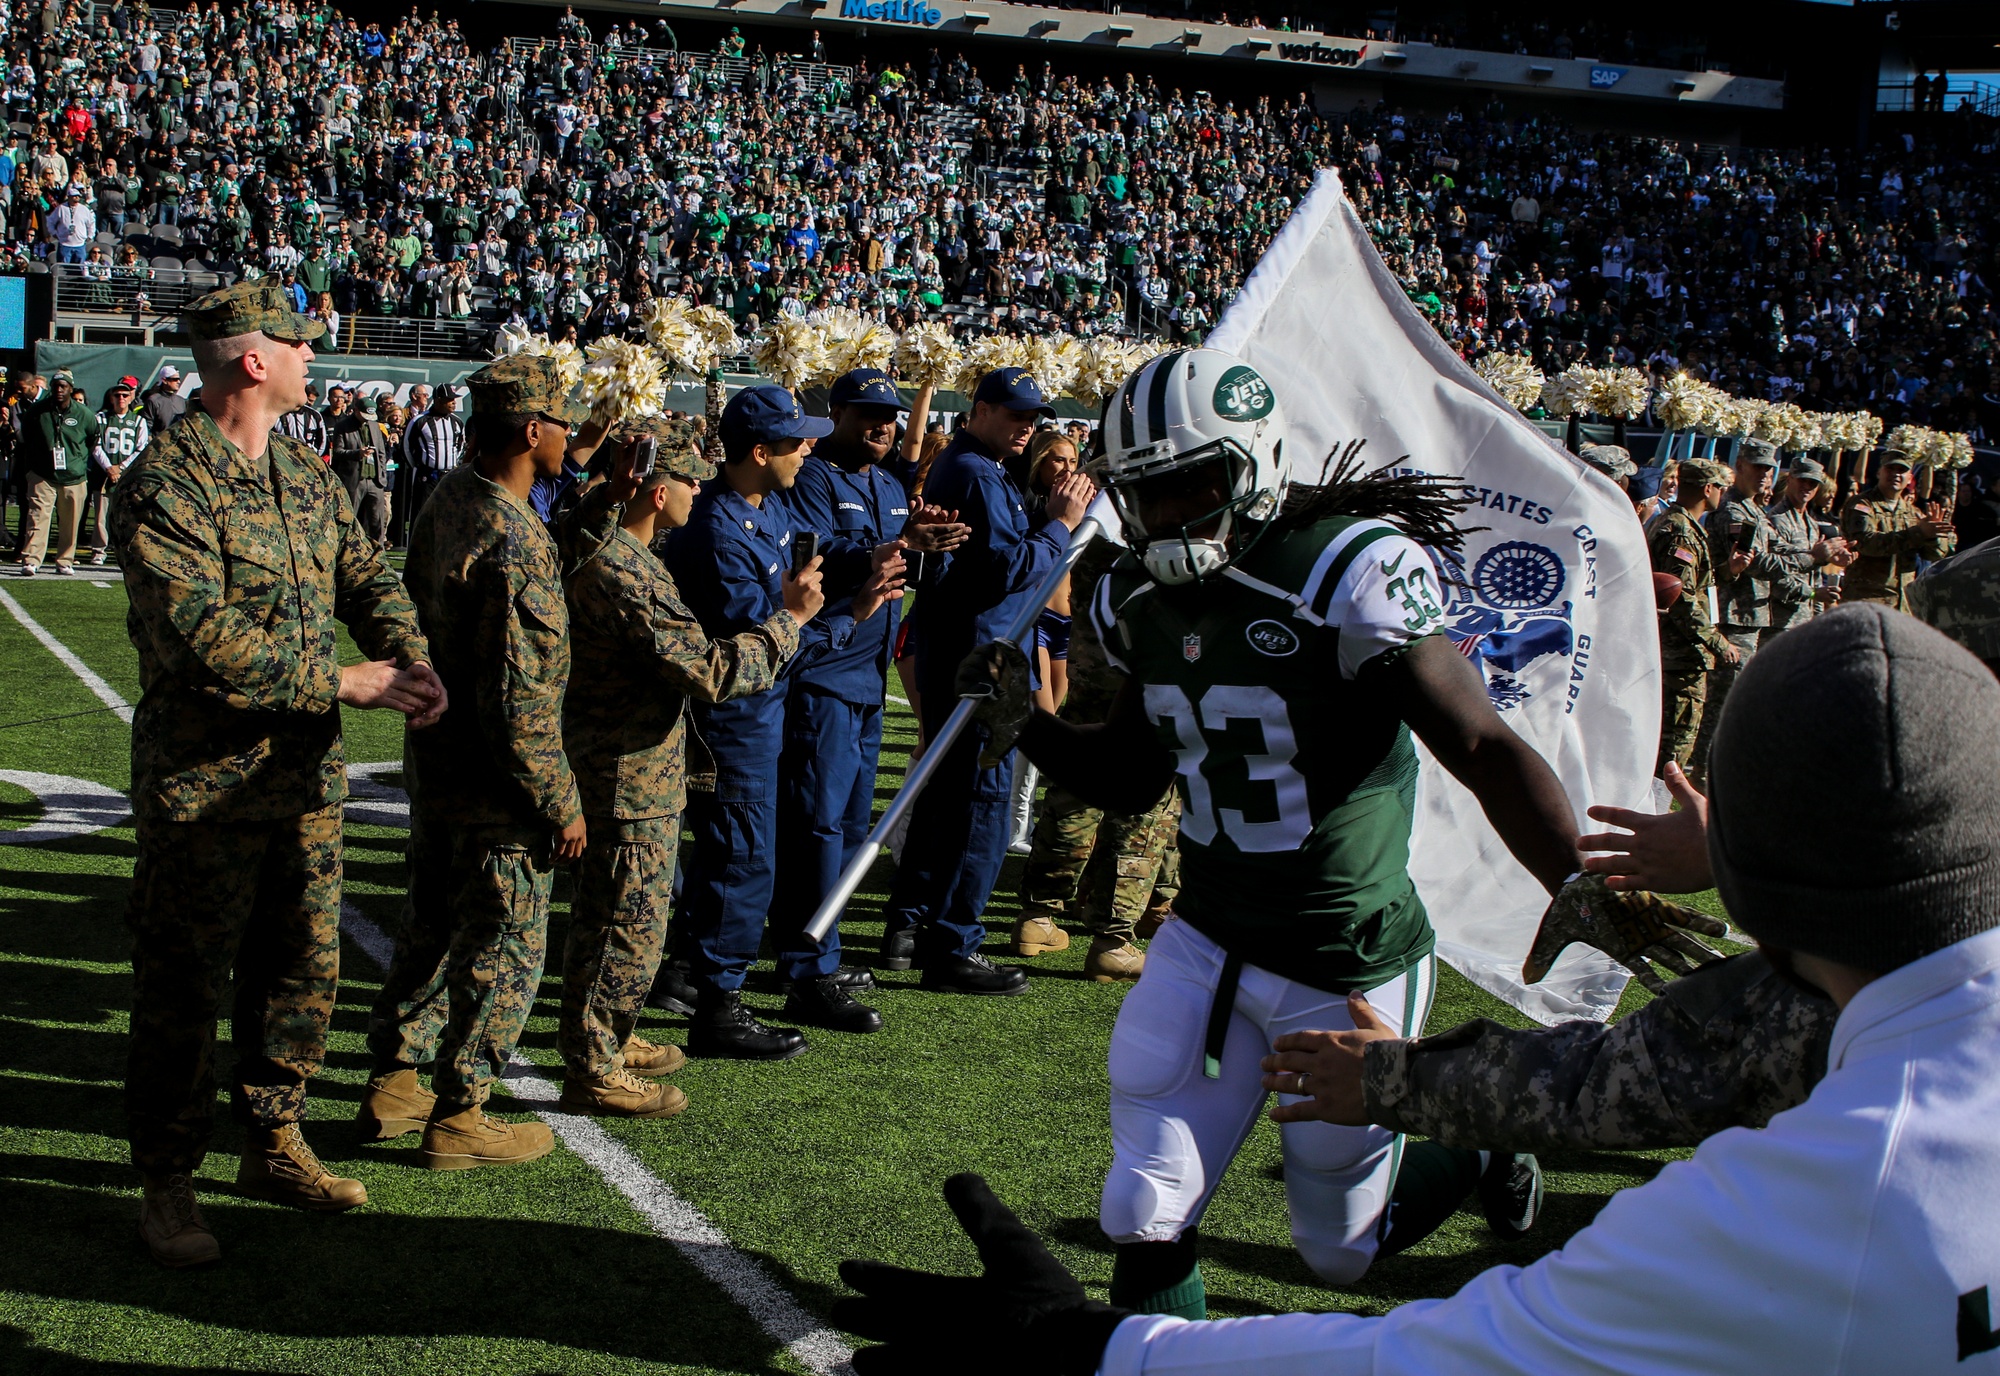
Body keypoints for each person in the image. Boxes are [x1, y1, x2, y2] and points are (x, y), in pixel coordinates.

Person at [839, 603, 2000, 1376]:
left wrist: (1092, 1348)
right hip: (1228, 938)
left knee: (1339, 1248)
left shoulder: (1803, 1202)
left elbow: (1459, 1353)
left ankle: (1461, 1167)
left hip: (1337, 951)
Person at [962, 348, 1610, 1313]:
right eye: (1148, 493)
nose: (1172, 514)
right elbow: (1135, 776)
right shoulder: (1137, 593)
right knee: (1144, 1199)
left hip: (1340, 952)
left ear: (1253, 465)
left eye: (1194, 484)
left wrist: (1579, 878)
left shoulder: (1345, 570)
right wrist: (1031, 727)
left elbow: (1478, 743)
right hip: (1207, 934)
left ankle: (1479, 1143)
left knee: (1340, 1253)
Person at [108, 277, 443, 1267]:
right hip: (203, 788)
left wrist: (406, 649)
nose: (313, 356)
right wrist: (348, 676)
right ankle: (167, 1177)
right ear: (253, 359)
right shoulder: (167, 484)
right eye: (298, 343)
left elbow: (367, 570)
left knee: (300, 972)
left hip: (301, 785)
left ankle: (271, 1139)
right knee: (183, 984)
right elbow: (200, 638)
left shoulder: (303, 473)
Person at [362, 354, 616, 1169]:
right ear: (532, 429)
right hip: (500, 785)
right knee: (503, 947)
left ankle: (395, 1080)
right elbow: (522, 701)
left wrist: (600, 502)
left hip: (440, 766)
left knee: (432, 924)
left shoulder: (453, 500)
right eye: (563, 424)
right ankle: (461, 1114)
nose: (571, 438)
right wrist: (560, 801)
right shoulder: (513, 540)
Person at [556, 415, 820, 1116]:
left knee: (616, 920)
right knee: (626, 925)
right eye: (688, 480)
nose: (700, 492)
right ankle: (594, 1063)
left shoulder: (621, 548)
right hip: (625, 772)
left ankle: (607, 1037)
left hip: (633, 764)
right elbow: (708, 671)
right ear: (650, 487)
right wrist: (788, 619)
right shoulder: (623, 568)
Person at [663, 383, 903, 1058]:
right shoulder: (717, 531)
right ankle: (716, 1005)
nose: (809, 446)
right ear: (760, 450)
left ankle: (711, 986)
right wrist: (843, 618)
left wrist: (871, 561)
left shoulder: (759, 510)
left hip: (762, 718)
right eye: (797, 438)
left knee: (751, 862)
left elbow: (815, 554)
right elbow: (758, 652)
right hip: (737, 721)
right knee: (739, 863)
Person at [878, 368, 1095, 995]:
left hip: (968, 649)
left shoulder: (973, 466)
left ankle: (911, 925)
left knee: (949, 797)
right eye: (1013, 413)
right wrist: (1060, 523)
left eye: (1033, 415)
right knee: (982, 804)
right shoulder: (974, 470)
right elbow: (1008, 570)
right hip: (985, 656)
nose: (1026, 425)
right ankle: (954, 942)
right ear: (978, 410)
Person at [766, 367, 967, 1035]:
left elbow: (901, 564)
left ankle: (819, 950)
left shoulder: (885, 482)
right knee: (818, 828)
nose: (882, 425)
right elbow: (815, 555)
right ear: (839, 414)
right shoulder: (815, 473)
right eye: (868, 413)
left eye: (891, 415)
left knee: (852, 834)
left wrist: (931, 546)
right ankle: (806, 968)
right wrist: (896, 543)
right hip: (823, 670)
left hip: (868, 676)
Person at [1011, 529, 1178, 983]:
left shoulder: (1104, 523)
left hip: (1096, 665)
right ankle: (1113, 938)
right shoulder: (1178, 527)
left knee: (1074, 782)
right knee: (1147, 802)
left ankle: (1039, 914)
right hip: (1155, 669)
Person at [1650, 457, 1740, 779]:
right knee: (1672, 752)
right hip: (1680, 653)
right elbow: (1681, 598)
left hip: (1679, 651)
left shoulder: (1678, 524)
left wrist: (1728, 572)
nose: (1722, 494)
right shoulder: (1681, 531)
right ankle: (1659, 817)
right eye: (1721, 487)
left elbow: (1694, 586)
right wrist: (1718, 642)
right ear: (1707, 488)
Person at [1840, 447, 1956, 611]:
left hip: (1902, 604)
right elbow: (1867, 544)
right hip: (1866, 600)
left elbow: (1935, 554)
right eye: (1890, 469)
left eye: (1902, 471)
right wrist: (1919, 533)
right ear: (1879, 472)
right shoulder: (1862, 505)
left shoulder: (1913, 513)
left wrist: (1932, 536)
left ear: (1909, 478)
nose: (1895, 474)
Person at [19, 368, 100, 575]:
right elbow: (26, 436)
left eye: (63, 386)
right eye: (55, 386)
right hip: (42, 474)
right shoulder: (38, 411)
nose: (59, 390)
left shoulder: (84, 415)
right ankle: (32, 560)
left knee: (70, 523)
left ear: (71, 389)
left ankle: (64, 560)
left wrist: (78, 461)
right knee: (37, 517)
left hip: (74, 476)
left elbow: (92, 439)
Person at [1765, 457, 1851, 634]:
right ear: (1790, 480)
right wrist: (1812, 593)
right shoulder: (1777, 520)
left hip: (1805, 620)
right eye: (1801, 480)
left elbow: (1815, 575)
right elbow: (1774, 574)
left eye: (1812, 483)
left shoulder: (1811, 524)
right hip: (1779, 621)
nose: (1806, 486)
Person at [89, 375, 148, 564]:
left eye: (125, 394)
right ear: (111, 397)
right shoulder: (101, 418)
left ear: (131, 397)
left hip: (127, 474)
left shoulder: (139, 421)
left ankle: (124, 551)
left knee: (126, 515)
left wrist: (120, 467)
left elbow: (141, 448)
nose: (121, 398)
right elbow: (95, 445)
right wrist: (109, 467)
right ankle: (99, 551)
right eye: (117, 395)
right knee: (101, 515)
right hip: (104, 474)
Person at [329, 392, 393, 547]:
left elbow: (381, 452)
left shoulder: (375, 425)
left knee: (378, 521)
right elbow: (337, 453)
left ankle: (378, 554)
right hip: (354, 480)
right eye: (364, 415)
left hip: (374, 480)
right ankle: (346, 551)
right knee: (349, 519)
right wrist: (358, 453)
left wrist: (382, 475)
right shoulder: (343, 426)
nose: (367, 419)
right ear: (356, 410)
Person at [402, 382, 467, 531]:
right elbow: (407, 448)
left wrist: (452, 464)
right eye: (449, 399)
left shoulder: (456, 422)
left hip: (449, 475)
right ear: (438, 400)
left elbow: (460, 445)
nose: (453, 403)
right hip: (426, 476)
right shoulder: (419, 421)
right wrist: (420, 466)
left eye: (454, 399)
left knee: (449, 513)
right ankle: (417, 550)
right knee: (422, 515)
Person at [142, 365, 187, 434]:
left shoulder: (181, 401)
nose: (178, 382)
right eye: (175, 379)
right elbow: (147, 428)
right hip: (160, 443)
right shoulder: (153, 400)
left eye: (179, 379)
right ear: (164, 380)